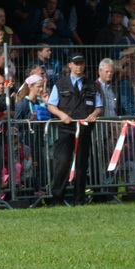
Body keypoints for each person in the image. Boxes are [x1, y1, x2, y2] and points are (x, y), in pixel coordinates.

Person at [44, 54, 100, 205]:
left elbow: (99, 106)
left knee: (82, 165)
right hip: (66, 129)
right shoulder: (60, 84)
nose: (79, 66)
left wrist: (94, 115)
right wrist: (62, 115)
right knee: (62, 163)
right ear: (70, 65)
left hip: (84, 130)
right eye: (76, 63)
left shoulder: (91, 85)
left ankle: (79, 199)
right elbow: (51, 105)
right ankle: (57, 199)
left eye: (81, 63)